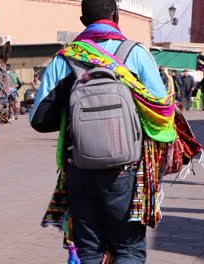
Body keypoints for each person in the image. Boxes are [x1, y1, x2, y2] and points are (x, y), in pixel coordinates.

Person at [30, 1, 169, 263]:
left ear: (83, 20)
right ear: (116, 16)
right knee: (128, 248)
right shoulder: (136, 54)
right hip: (125, 170)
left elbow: (39, 120)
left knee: (89, 249)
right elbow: (163, 115)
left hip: (79, 169)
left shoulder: (65, 58)